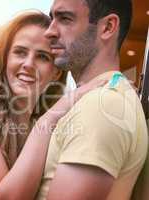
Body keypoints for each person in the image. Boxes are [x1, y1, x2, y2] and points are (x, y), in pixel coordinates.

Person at [0, 11, 107, 200]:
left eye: (42, 56)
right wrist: (50, 117)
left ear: (56, 73)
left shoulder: (48, 129)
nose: (29, 64)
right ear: (5, 58)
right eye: (20, 52)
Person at [35, 0, 148, 200]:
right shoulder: (99, 99)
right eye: (52, 18)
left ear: (108, 27)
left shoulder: (101, 106)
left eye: (65, 18)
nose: (49, 32)